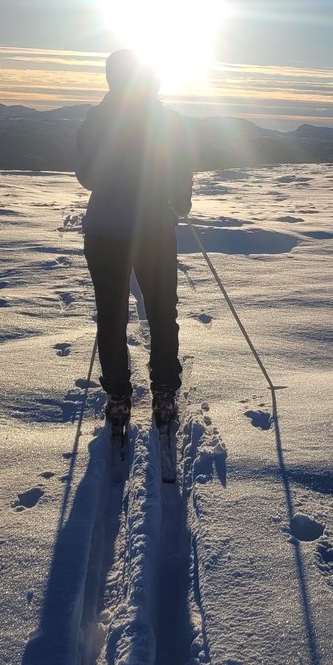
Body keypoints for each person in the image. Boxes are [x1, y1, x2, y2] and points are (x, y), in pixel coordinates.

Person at [76, 49, 193, 431]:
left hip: (104, 230)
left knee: (111, 313)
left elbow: (87, 177)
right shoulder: (167, 120)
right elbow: (180, 170)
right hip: (154, 229)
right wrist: (180, 202)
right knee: (161, 309)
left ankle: (118, 398)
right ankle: (163, 391)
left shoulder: (97, 119)